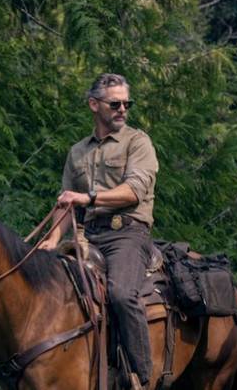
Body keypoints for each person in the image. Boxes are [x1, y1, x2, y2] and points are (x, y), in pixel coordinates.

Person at [40, 73, 158, 390]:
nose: (122, 109)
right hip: (87, 236)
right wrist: (51, 240)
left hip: (127, 235)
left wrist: (88, 197)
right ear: (94, 105)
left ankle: (140, 375)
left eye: (126, 103)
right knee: (54, 291)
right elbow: (66, 202)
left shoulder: (138, 142)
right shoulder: (77, 152)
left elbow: (133, 192)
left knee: (121, 294)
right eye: (115, 103)